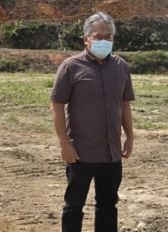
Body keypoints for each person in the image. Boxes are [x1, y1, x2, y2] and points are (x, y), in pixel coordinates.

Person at [50, 12, 135, 232]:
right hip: (80, 152)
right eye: (98, 36)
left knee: (108, 206)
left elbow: (125, 104)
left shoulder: (121, 67)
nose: (104, 41)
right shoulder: (70, 67)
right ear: (86, 39)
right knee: (74, 206)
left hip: (111, 152)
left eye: (109, 37)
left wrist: (130, 136)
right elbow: (57, 105)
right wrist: (64, 144)